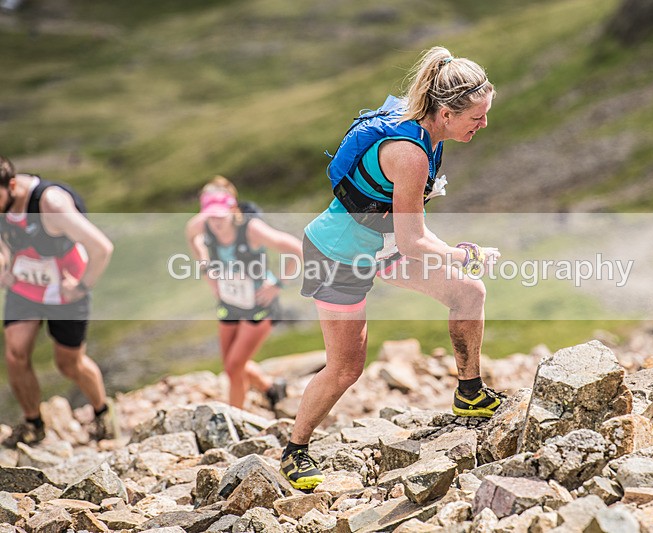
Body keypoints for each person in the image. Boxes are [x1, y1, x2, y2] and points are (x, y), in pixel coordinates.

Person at [279, 46, 503, 491]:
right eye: (476, 117)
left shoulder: (429, 134)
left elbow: (404, 232)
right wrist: (464, 253)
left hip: (380, 247)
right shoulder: (410, 153)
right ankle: (294, 451)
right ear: (444, 111)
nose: (483, 124)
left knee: (468, 293)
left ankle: (470, 393)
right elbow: (413, 241)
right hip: (336, 254)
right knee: (346, 367)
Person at [0, 156, 116, 445]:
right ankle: (33, 425)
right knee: (15, 353)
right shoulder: (3, 198)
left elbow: (101, 248)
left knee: (69, 363)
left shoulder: (51, 205)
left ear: (12, 185)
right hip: (26, 286)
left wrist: (80, 287)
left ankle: (103, 413)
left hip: (65, 290)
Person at [185, 176, 302, 410]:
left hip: (259, 304)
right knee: (231, 363)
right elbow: (194, 241)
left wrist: (278, 283)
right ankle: (271, 389)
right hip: (228, 302)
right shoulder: (198, 225)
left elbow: (297, 250)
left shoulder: (252, 229)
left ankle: (236, 420)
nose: (216, 222)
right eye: (211, 216)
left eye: (221, 216)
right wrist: (209, 275)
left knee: (234, 367)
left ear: (233, 209)